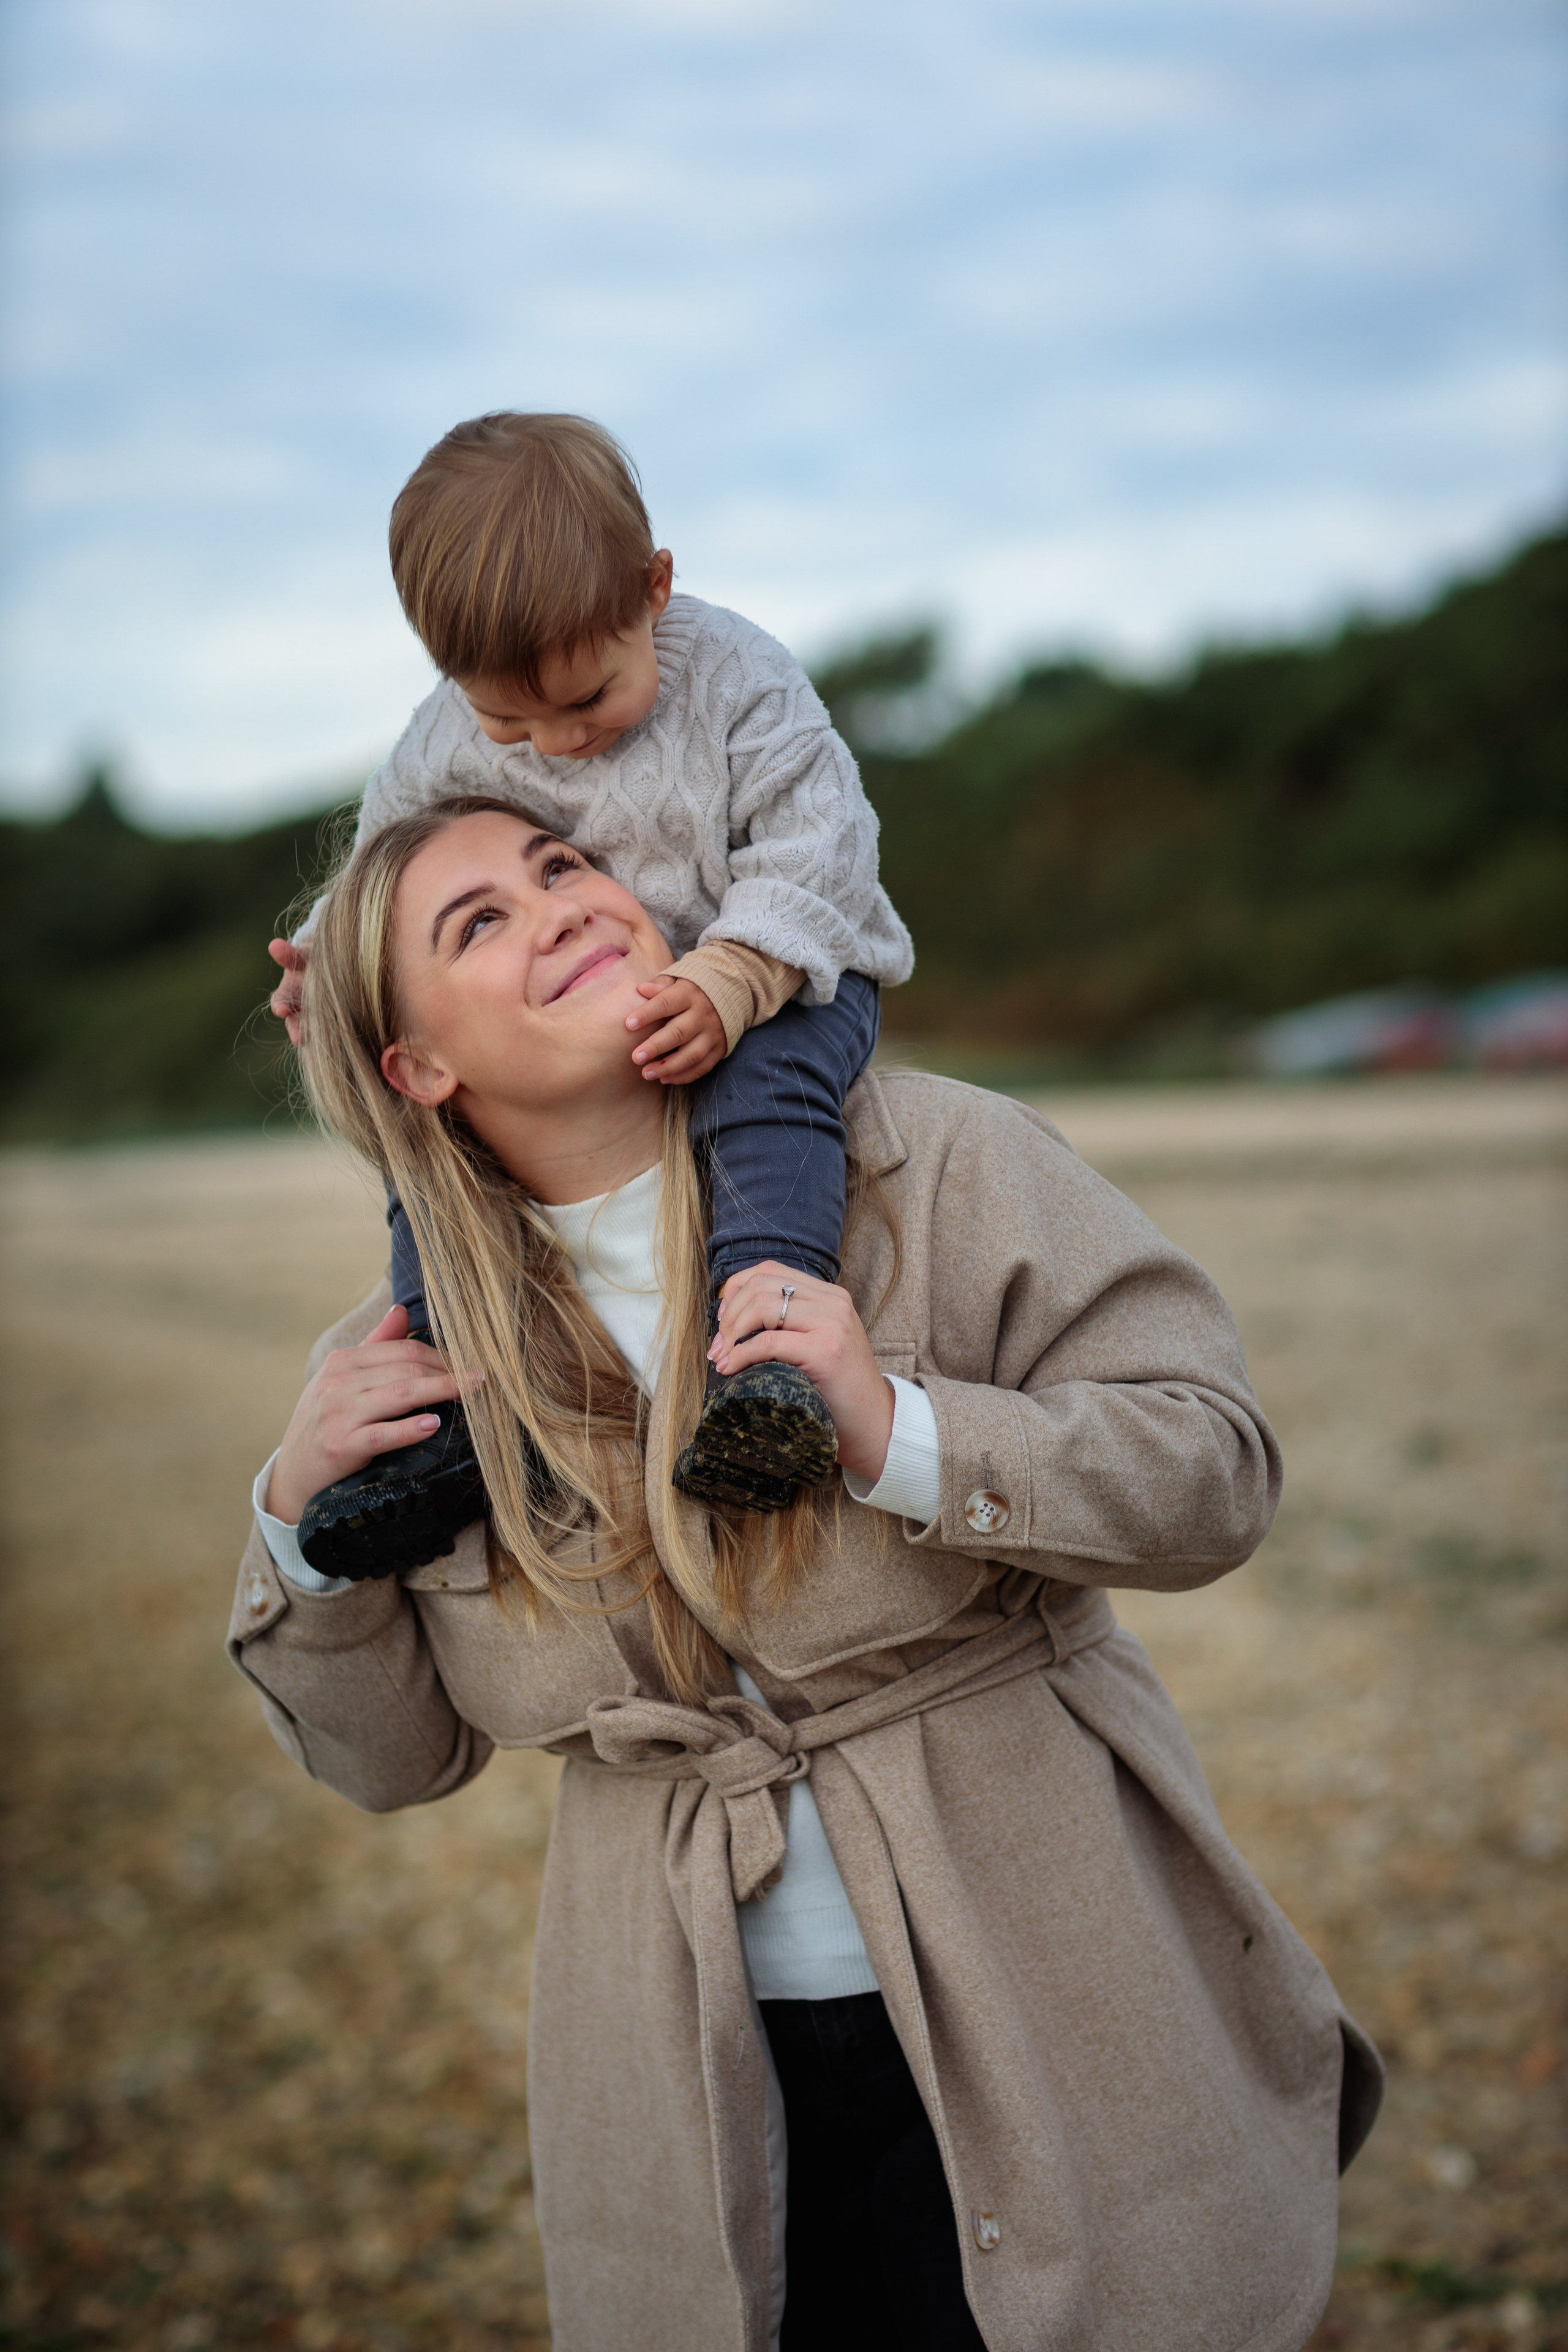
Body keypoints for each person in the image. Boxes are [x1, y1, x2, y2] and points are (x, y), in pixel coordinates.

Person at [233, 799, 1382, 2352]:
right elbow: (392, 1763)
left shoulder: (932, 1162)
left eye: (563, 866)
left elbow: (1210, 1477)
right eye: (479, 921)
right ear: (416, 1069)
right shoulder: (402, 1370)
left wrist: (897, 1433)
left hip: (1058, 1984)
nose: (559, 904)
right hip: (686, 2060)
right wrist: (302, 1530)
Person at [266, 410, 913, 1561]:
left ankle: (767, 1361)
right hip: (604, 1006)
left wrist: (734, 975)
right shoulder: (440, 737)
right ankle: (454, 1421)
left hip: (786, 968)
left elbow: (823, 844)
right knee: (433, 1185)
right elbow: (390, 863)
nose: (551, 742)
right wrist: (326, 961)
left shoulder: (741, 682)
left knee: (761, 1103)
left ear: (654, 590)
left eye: (586, 701)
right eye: (506, 719)